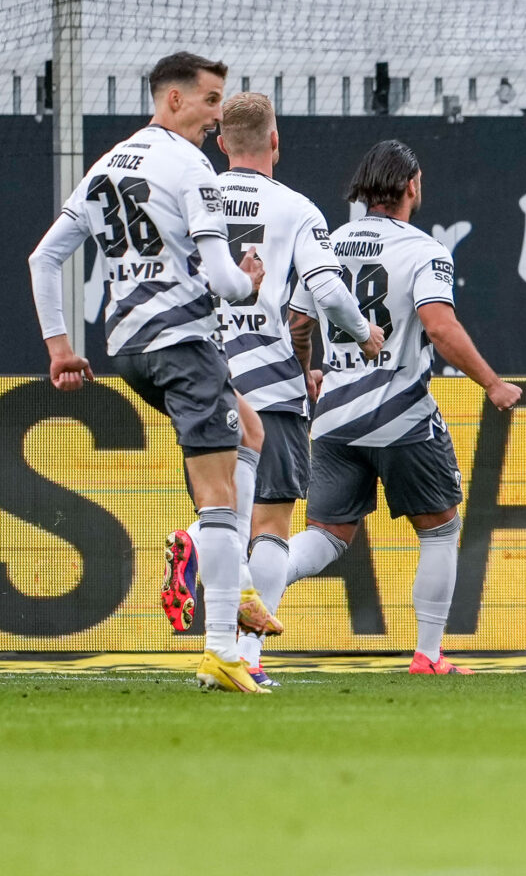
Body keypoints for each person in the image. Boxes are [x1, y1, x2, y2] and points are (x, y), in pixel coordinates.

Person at [27, 51, 277, 693]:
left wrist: (60, 348)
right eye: (211, 100)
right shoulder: (192, 167)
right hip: (184, 344)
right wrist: (249, 281)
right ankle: (220, 650)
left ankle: (236, 581)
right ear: (174, 99)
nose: (218, 116)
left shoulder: (108, 164)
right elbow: (225, 281)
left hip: (129, 349)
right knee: (217, 496)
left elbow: (43, 259)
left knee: (251, 433)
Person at [280, 141, 522, 675]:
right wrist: (491, 383)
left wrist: (306, 375)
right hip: (401, 416)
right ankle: (428, 655)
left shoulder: (328, 244)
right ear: (412, 185)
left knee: (324, 537)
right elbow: (440, 326)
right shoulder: (424, 250)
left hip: (336, 418)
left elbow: (297, 325)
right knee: (440, 530)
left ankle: (251, 583)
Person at [213, 92, 385, 685]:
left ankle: (218, 655)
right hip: (269, 385)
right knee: (270, 527)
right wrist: (364, 333)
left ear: (221, 144)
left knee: (223, 520)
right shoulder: (295, 208)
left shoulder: (194, 198)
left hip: (206, 380)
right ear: (275, 141)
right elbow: (328, 292)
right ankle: (248, 660)